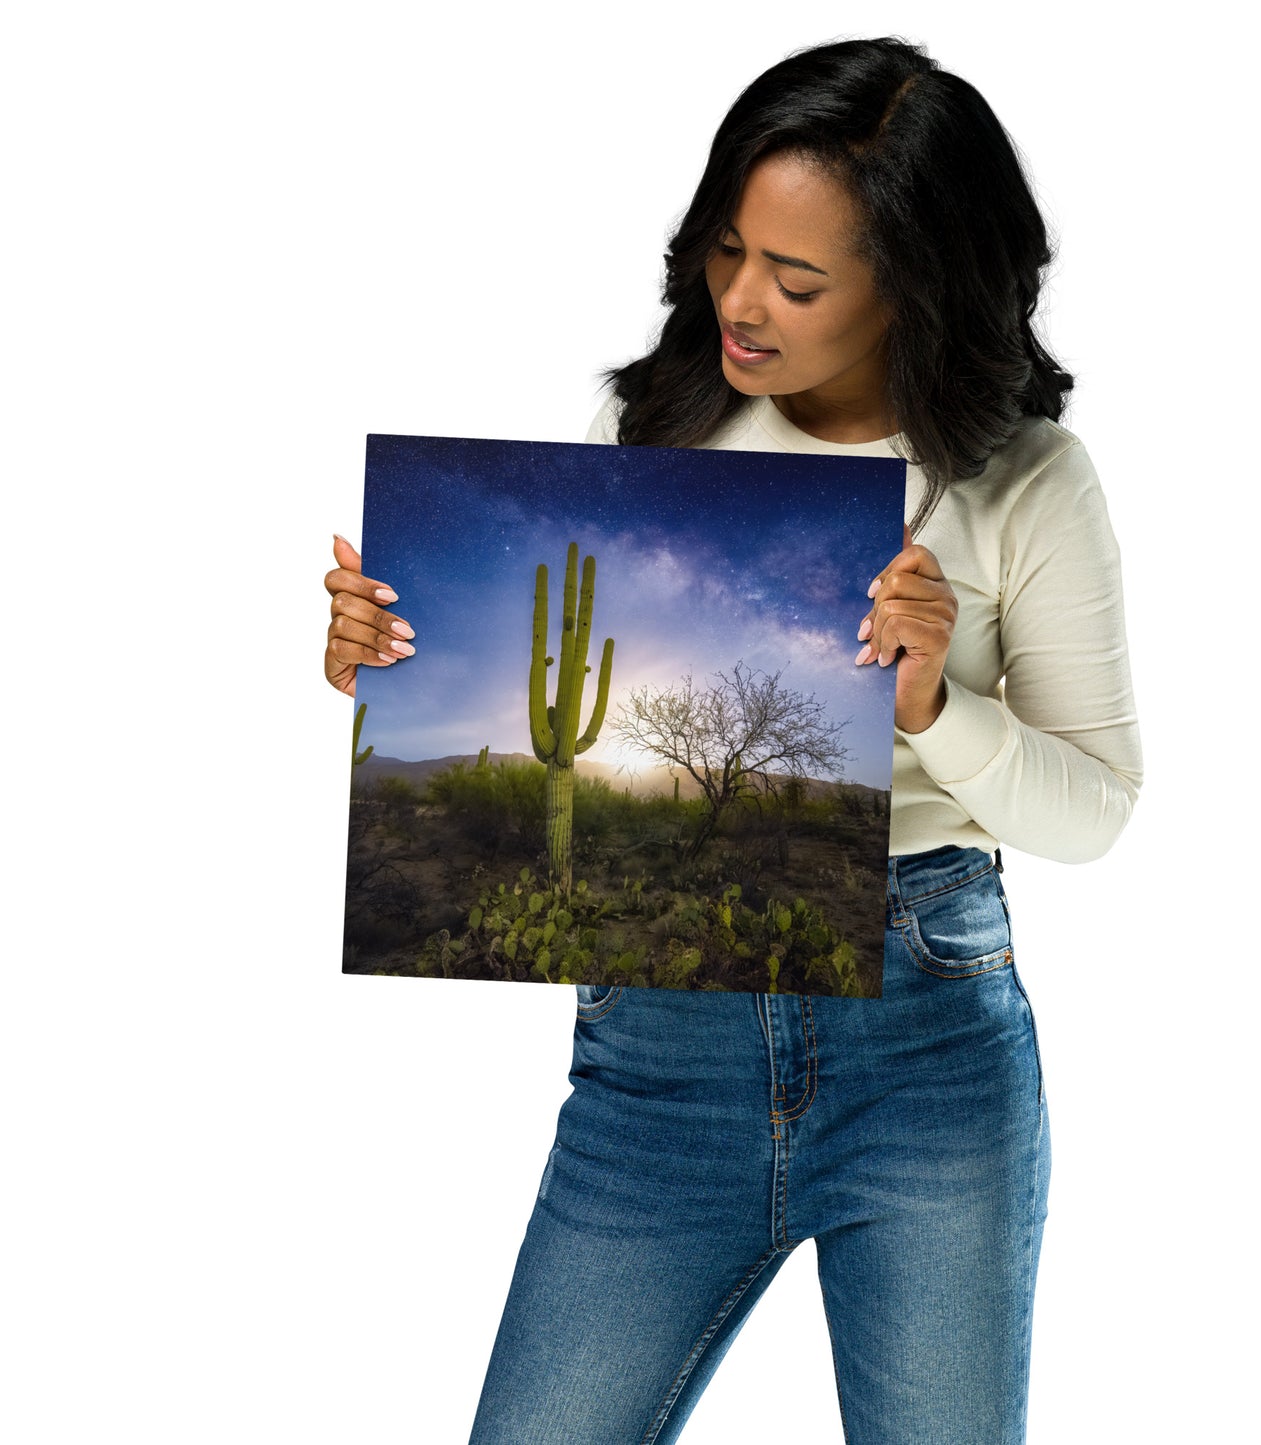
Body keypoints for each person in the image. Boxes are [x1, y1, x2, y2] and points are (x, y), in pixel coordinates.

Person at [325, 36, 1142, 1443]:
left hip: (928, 1050)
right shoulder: (651, 426)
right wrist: (383, 668)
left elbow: (1094, 812)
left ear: (914, 286)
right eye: (724, 251)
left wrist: (934, 708)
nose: (740, 302)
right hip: (657, 1065)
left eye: (798, 277)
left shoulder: (1024, 481)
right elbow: (573, 735)